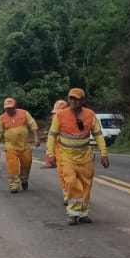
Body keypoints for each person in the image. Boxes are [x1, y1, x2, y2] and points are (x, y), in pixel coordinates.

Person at [45, 88, 108, 224]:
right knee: (72, 182)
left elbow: (98, 135)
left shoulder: (90, 115)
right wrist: (50, 153)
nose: (73, 101)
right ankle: (73, 214)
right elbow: (52, 135)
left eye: (76, 98)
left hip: (85, 158)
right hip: (67, 157)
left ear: (82, 100)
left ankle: (83, 214)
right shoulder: (60, 116)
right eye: (71, 98)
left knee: (86, 185)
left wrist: (104, 153)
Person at [0, 97, 39, 193]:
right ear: (4, 108)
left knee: (27, 163)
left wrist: (36, 138)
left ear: (15, 106)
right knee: (12, 166)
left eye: (11, 108)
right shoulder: (1, 119)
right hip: (11, 146)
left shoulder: (24, 113)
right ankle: (13, 185)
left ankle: (24, 179)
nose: (9, 110)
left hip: (24, 145)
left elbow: (33, 125)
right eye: (7, 108)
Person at [50, 99, 69, 206]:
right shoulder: (55, 117)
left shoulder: (73, 119)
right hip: (59, 149)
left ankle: (74, 195)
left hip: (71, 151)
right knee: (62, 174)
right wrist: (51, 153)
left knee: (70, 175)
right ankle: (67, 196)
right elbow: (52, 135)